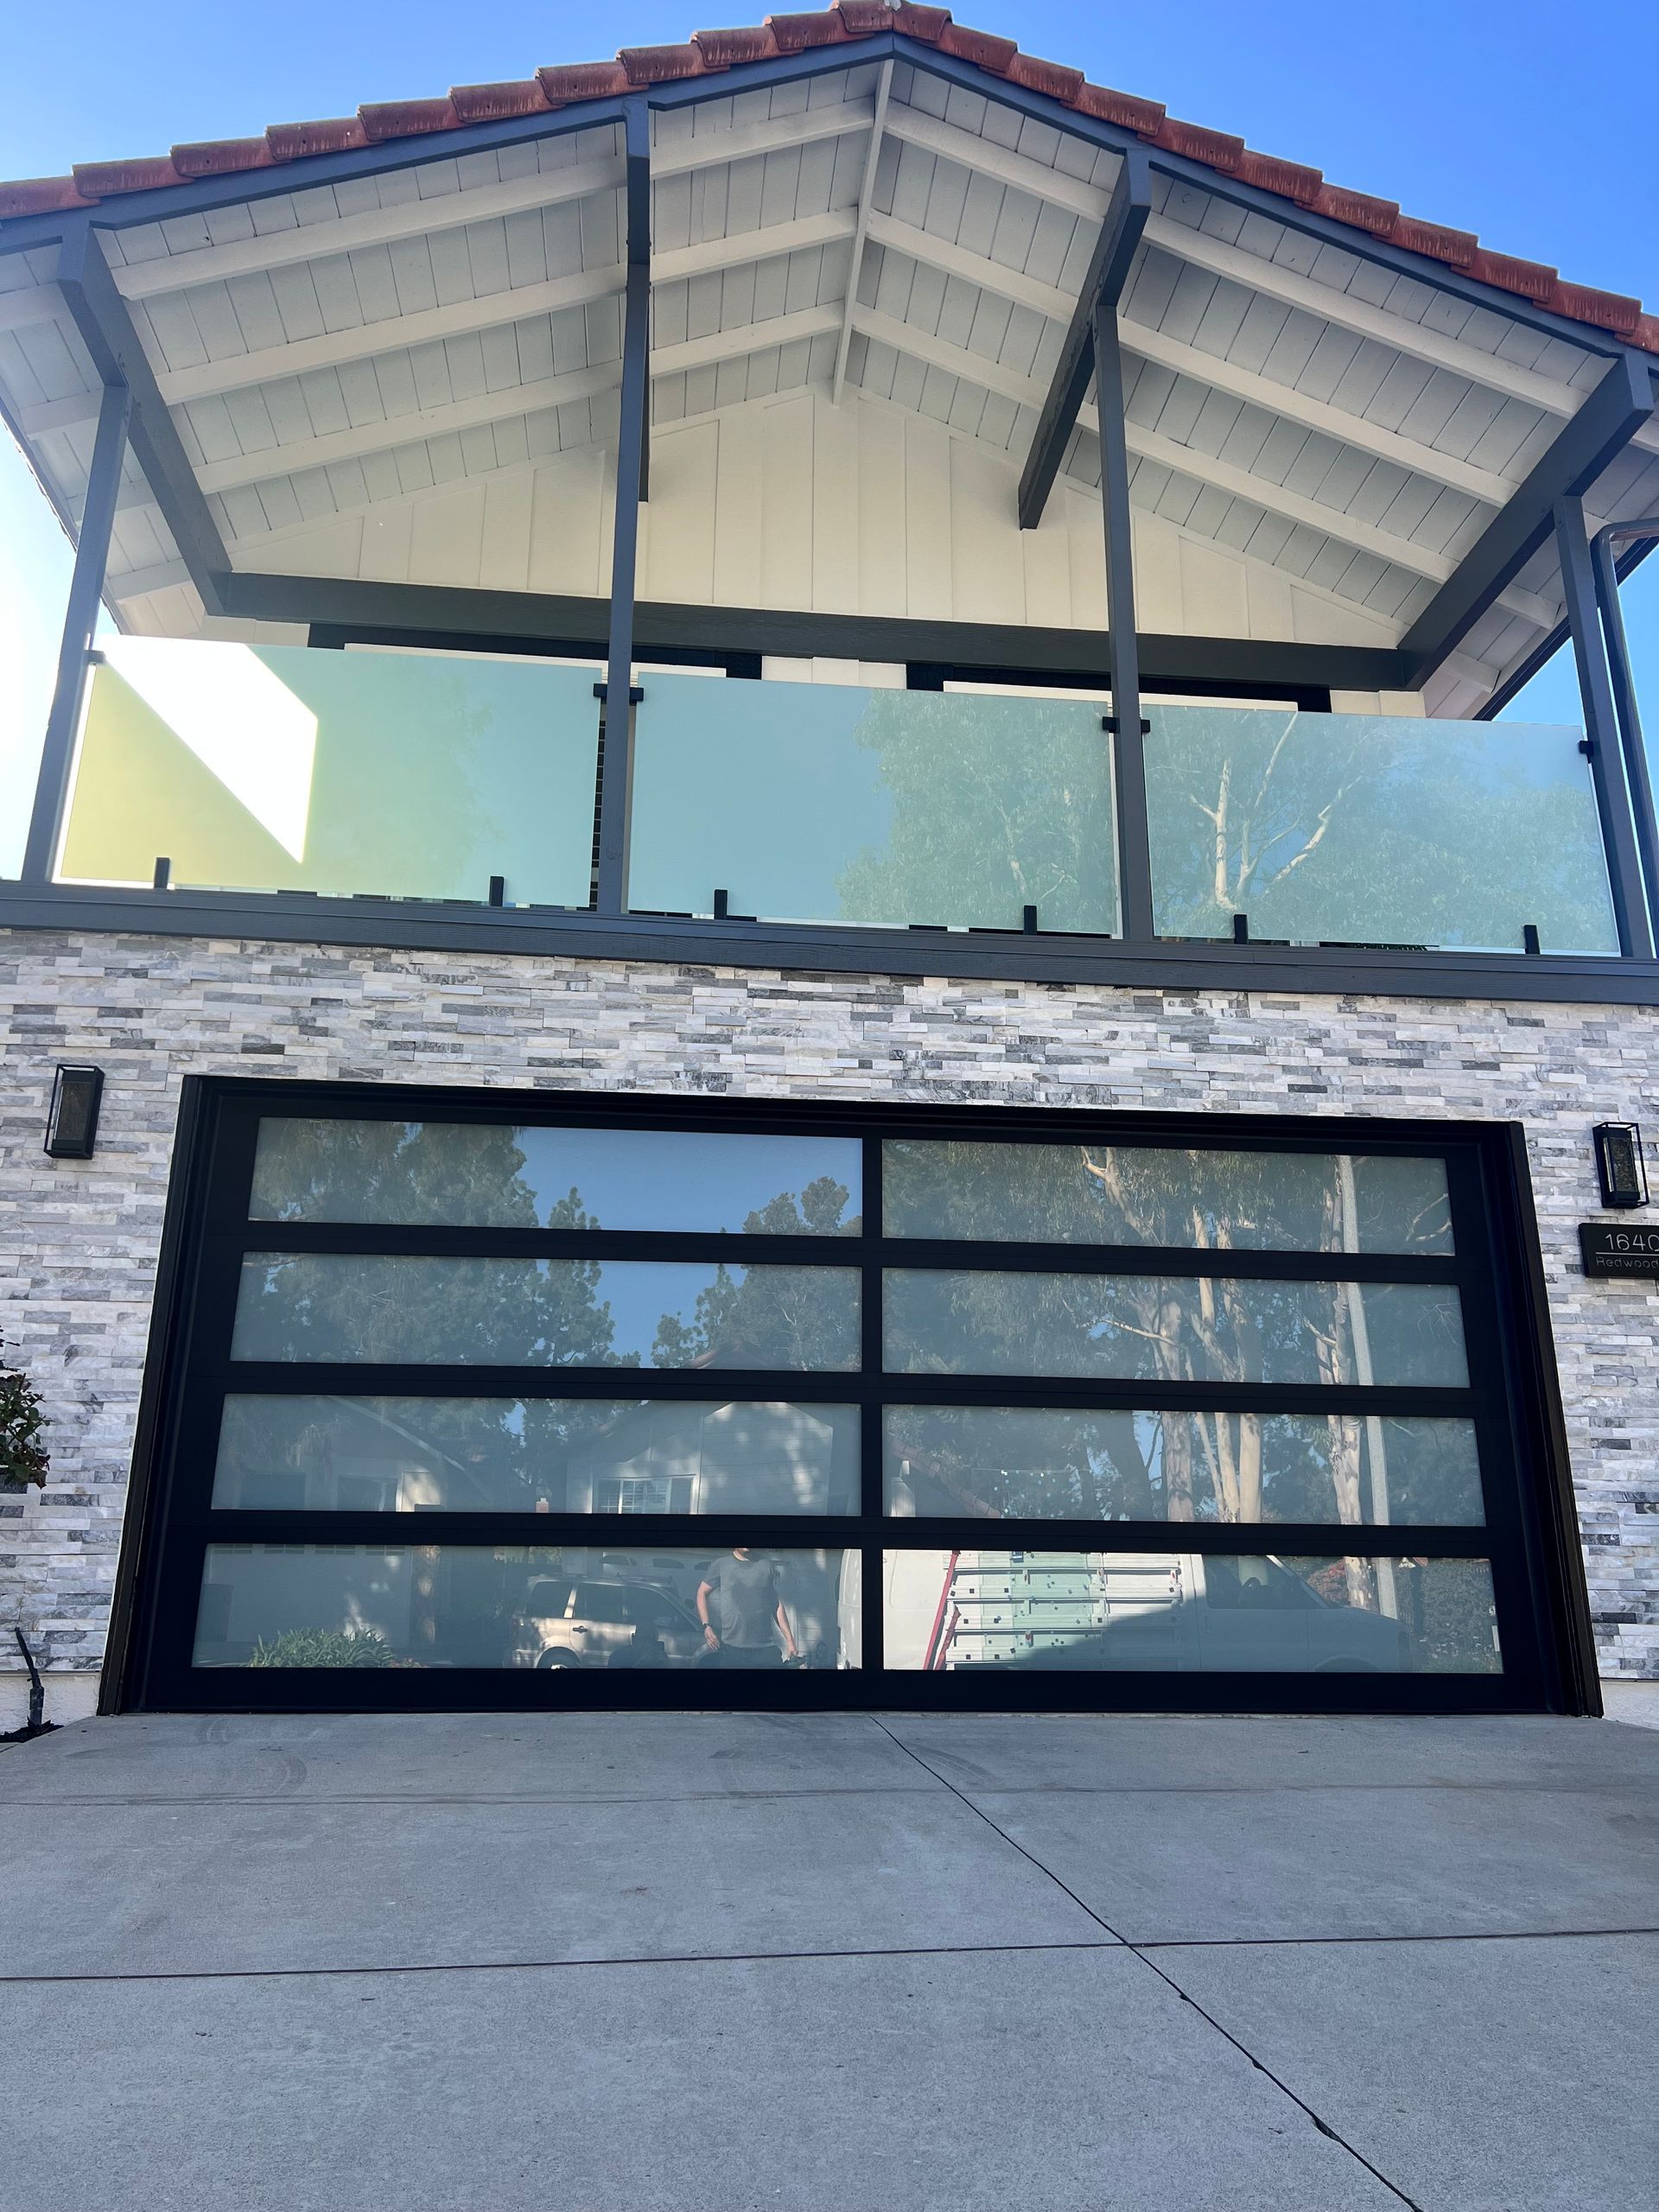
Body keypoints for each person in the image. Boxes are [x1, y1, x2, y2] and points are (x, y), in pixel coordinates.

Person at [697, 1548, 799, 1668]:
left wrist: (790, 1641)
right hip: (732, 1650)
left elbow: (776, 1604)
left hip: (765, 1649)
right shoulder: (721, 1565)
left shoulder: (766, 1566)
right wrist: (706, 1625)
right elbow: (701, 1593)